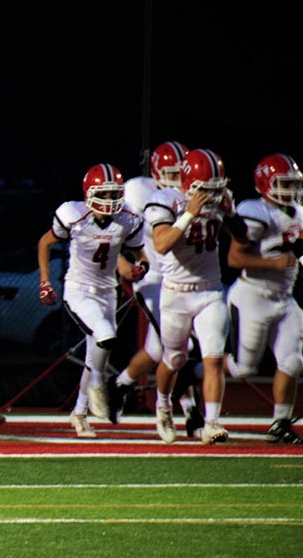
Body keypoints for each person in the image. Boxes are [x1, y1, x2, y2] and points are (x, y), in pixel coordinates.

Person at [37, 164, 146, 437]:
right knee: (106, 335)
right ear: (89, 193)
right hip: (79, 290)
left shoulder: (128, 218)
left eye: (113, 195)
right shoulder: (73, 214)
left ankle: (79, 413)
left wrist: (138, 268)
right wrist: (45, 281)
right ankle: (98, 386)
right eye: (104, 195)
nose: (109, 202)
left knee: (94, 355)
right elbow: (44, 243)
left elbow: (140, 254)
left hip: (108, 291)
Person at [145, 148, 243, 444]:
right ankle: (163, 405)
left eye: (216, 187)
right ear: (189, 184)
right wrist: (189, 213)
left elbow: (243, 238)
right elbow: (161, 244)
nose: (211, 194)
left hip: (210, 291)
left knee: (213, 359)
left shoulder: (219, 200)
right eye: (205, 188)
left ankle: (212, 423)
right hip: (176, 293)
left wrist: (231, 214)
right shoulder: (164, 201)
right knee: (174, 360)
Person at [109, 141, 206, 430]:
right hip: (152, 276)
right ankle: (190, 411)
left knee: (156, 350)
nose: (176, 178)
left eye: (180, 172)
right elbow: (114, 228)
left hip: (183, 278)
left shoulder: (193, 193)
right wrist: (121, 263)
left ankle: (120, 384)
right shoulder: (139, 190)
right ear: (155, 172)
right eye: (170, 172)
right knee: (177, 345)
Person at [226, 153, 303, 444]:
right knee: (243, 368)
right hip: (252, 296)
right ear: (263, 183)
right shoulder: (255, 211)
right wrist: (273, 264)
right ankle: (198, 368)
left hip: (284, 298)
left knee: (292, 361)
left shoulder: (299, 212)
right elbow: (234, 257)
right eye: (284, 183)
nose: (291, 190)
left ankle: (280, 422)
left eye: (294, 183)